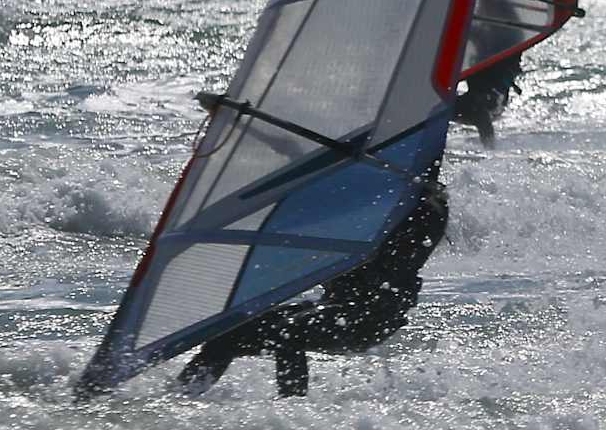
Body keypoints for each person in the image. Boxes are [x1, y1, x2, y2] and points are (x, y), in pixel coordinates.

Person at [175, 169, 449, 398]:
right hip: (334, 307)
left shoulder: (421, 214)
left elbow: (432, 209)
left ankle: (290, 413)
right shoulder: (364, 203)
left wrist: (416, 189)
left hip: (371, 317)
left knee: (289, 332)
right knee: (228, 334)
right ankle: (178, 400)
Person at [454, 53, 521, 142]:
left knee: (480, 109)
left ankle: (490, 150)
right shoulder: (474, 55)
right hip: (472, 99)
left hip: (493, 102)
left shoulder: (505, 55)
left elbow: (514, 68)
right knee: (443, 106)